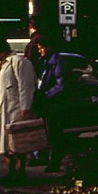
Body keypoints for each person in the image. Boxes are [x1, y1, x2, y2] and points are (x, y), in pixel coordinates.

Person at [0, 38, 37, 183]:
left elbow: (25, 86)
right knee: (6, 144)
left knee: (18, 143)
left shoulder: (19, 62)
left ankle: (21, 172)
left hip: (16, 109)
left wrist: (25, 107)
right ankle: (11, 171)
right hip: (2, 111)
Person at [32, 33, 67, 173]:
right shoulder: (42, 61)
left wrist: (47, 94)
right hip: (45, 103)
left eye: (42, 48)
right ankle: (44, 157)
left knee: (55, 134)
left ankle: (55, 162)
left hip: (54, 103)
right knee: (46, 132)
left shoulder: (57, 61)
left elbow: (61, 84)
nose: (40, 51)